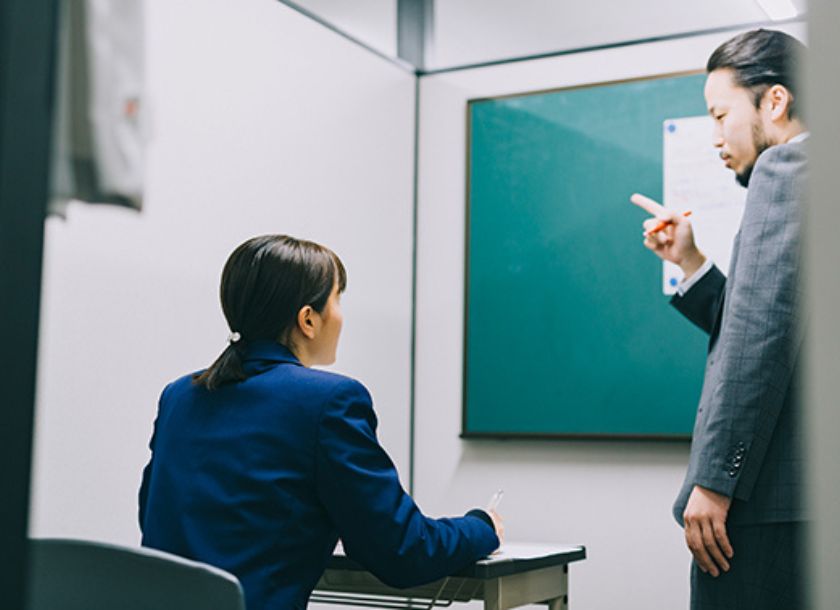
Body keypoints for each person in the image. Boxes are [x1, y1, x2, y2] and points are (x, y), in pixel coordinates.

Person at [139, 235, 502, 610]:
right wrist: (482, 526)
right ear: (308, 319)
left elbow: (155, 514)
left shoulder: (179, 395)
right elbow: (403, 550)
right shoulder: (329, 402)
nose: (342, 315)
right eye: (338, 299)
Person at [630, 29, 807, 610]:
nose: (715, 137)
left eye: (720, 114)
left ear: (774, 101)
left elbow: (760, 337)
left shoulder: (787, 171)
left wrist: (716, 480)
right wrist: (690, 262)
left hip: (769, 506)